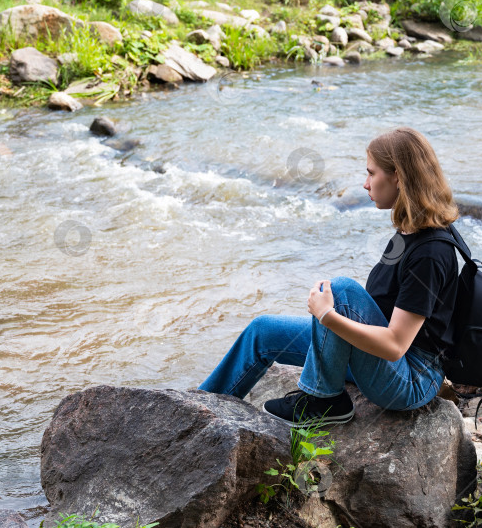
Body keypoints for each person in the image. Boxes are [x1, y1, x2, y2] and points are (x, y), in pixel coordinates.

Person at [197, 127, 460, 427]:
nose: (365, 184)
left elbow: (395, 345)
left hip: (410, 379)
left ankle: (323, 400)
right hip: (382, 362)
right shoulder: (408, 231)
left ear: (398, 176)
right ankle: (195, 410)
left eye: (371, 173)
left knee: (342, 290)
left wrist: (327, 317)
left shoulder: (430, 252)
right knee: (261, 332)